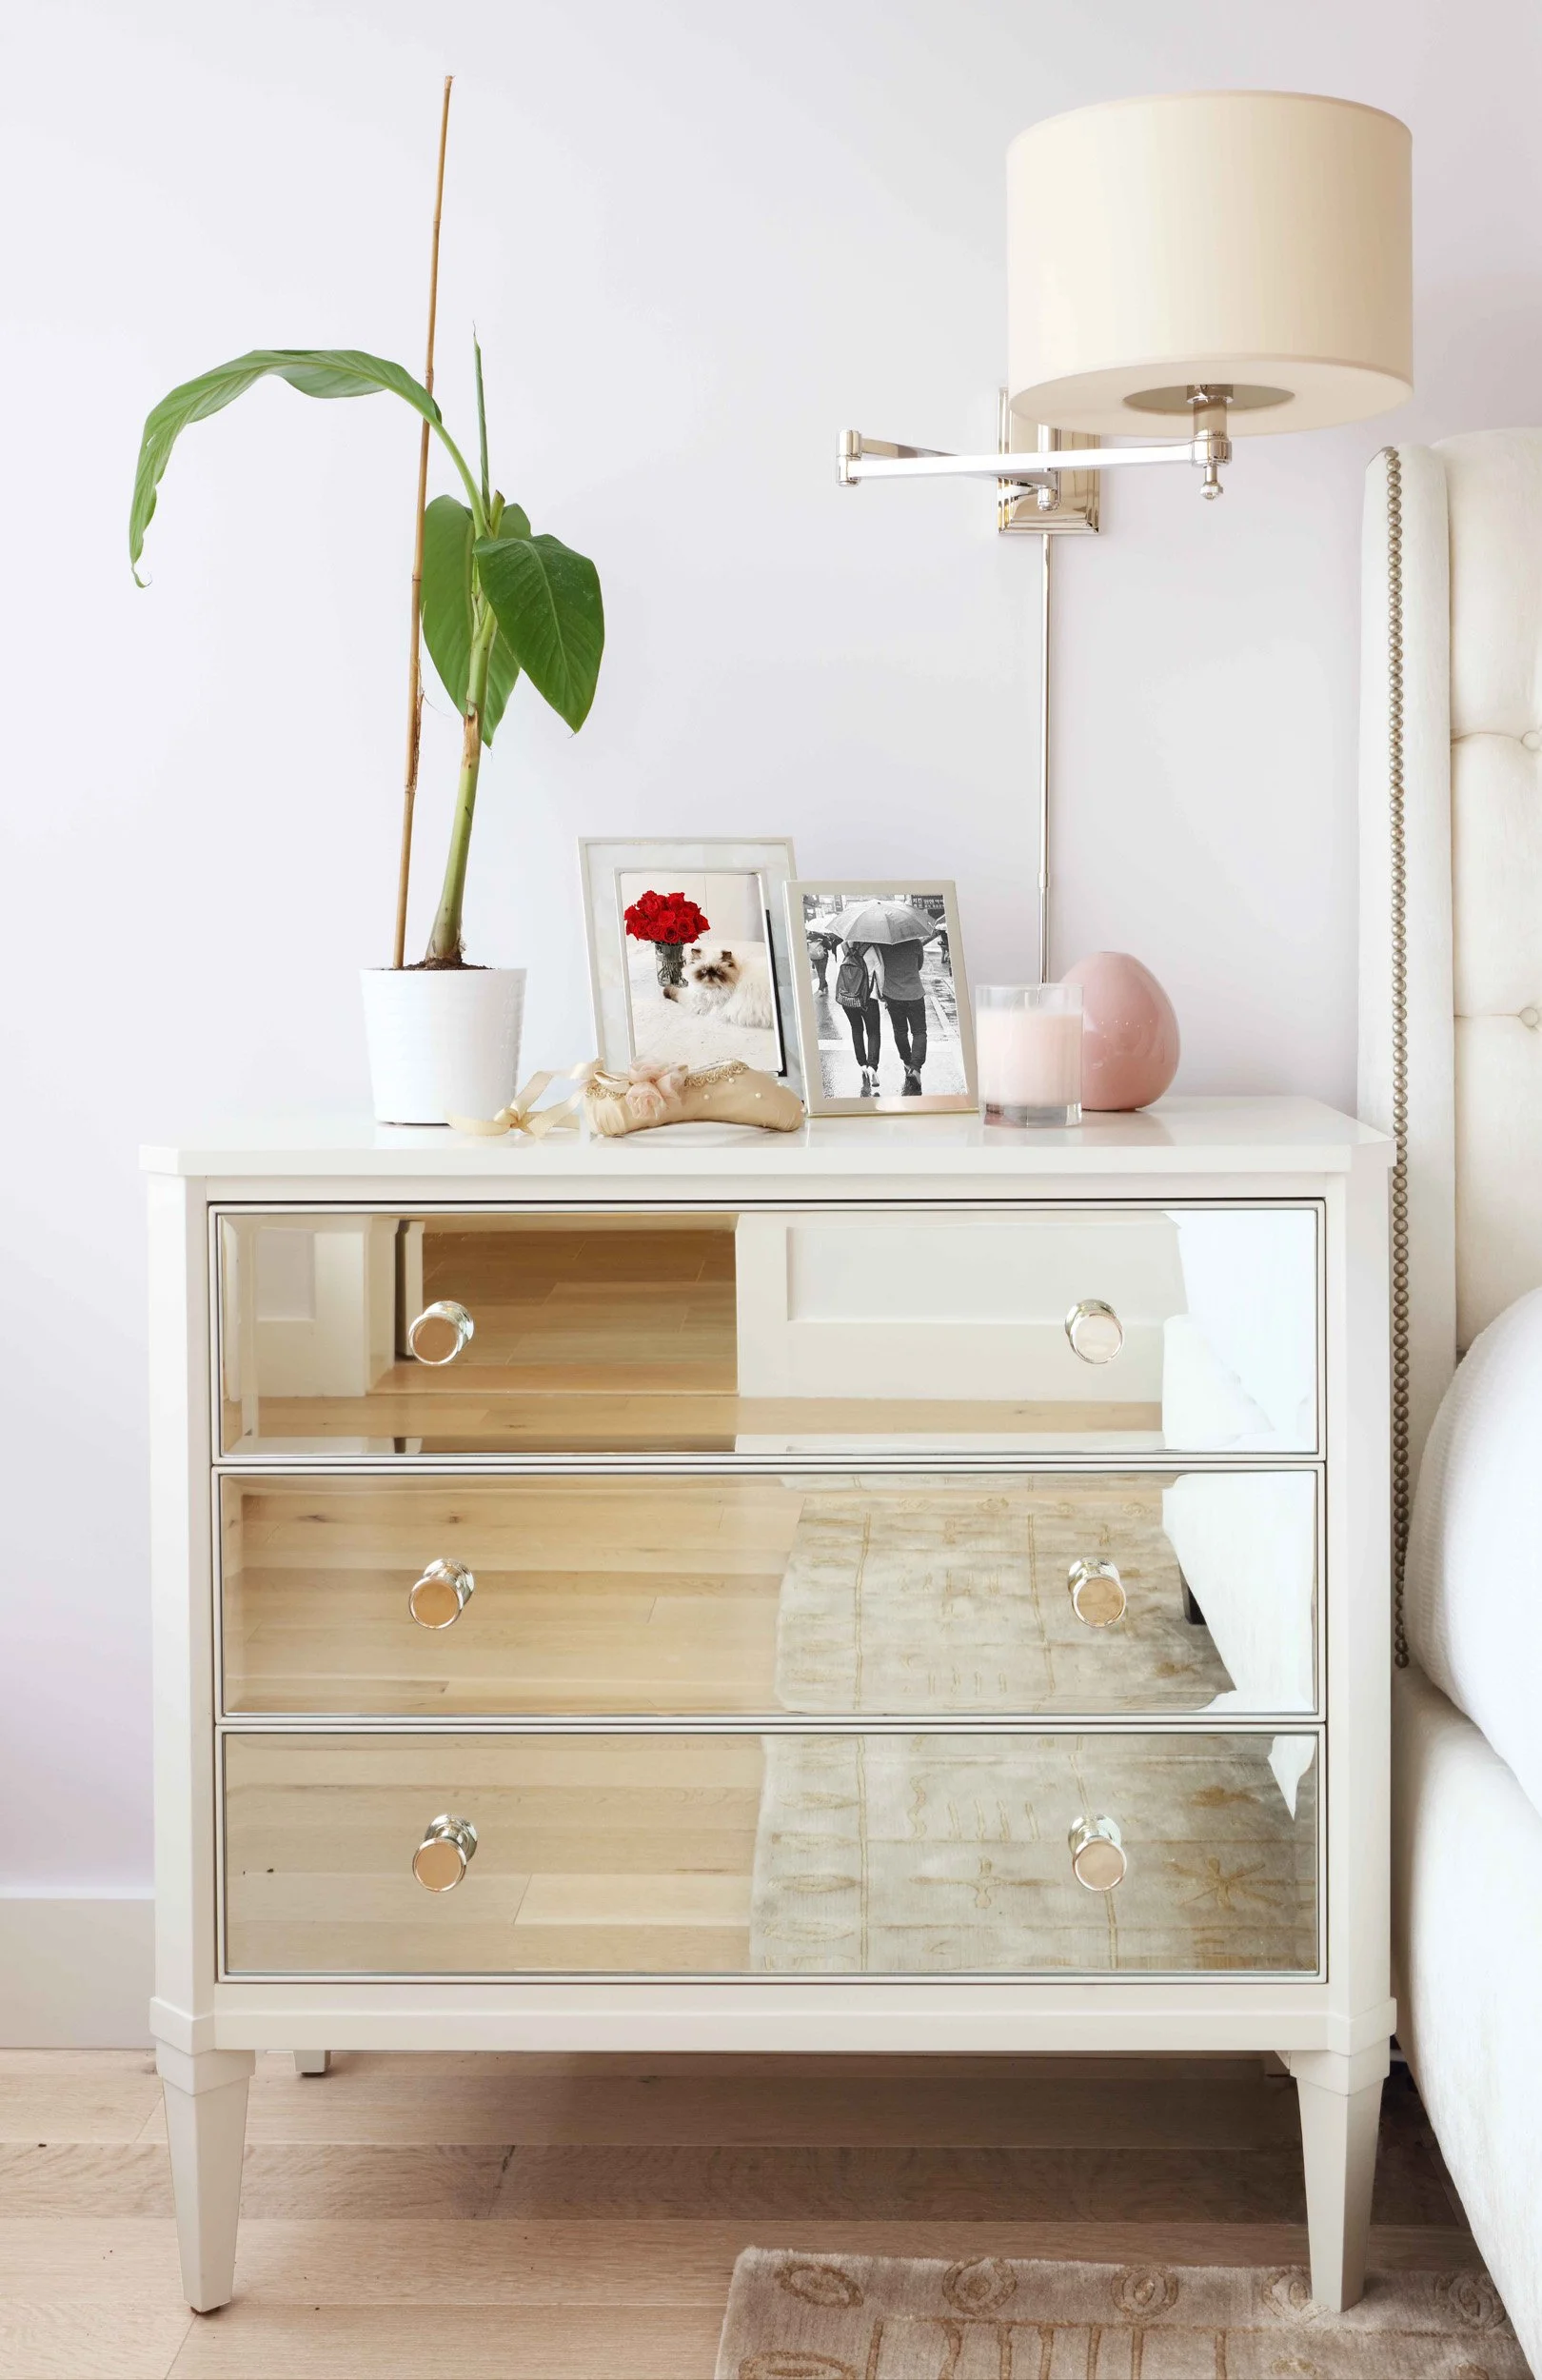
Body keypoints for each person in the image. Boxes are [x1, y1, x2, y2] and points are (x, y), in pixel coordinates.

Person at [871, 936, 929, 1093]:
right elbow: (919, 965)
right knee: (919, 1032)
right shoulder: (916, 942)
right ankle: (916, 1069)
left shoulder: (883, 944)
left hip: (893, 994)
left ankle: (907, 1062)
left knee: (900, 1031)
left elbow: (880, 968)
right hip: (915, 993)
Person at [833, 940, 881, 1095]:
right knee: (873, 1032)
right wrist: (882, 994)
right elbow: (880, 972)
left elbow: (839, 971)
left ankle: (862, 1064)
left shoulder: (841, 947)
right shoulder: (872, 947)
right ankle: (872, 1066)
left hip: (848, 997)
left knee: (856, 1028)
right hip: (869, 998)